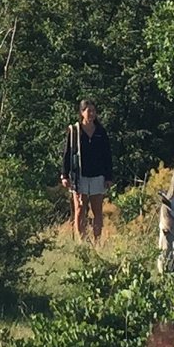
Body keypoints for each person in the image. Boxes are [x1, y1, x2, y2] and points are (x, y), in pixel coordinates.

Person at [60, 99, 114, 242]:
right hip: (79, 176)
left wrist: (108, 177)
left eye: (93, 111)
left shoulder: (101, 132)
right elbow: (67, 153)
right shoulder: (75, 131)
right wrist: (64, 175)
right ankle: (82, 242)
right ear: (82, 112)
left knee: (97, 211)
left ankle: (97, 242)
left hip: (98, 176)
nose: (91, 114)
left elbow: (107, 155)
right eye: (88, 110)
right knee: (80, 209)